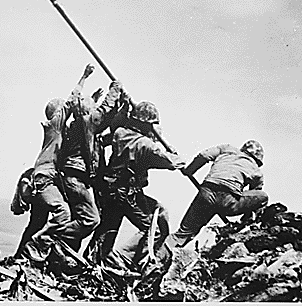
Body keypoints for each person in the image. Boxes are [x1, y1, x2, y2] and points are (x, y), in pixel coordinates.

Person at [88, 101, 186, 272]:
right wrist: (173, 154)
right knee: (156, 225)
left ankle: (93, 261)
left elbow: (105, 139)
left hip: (110, 189)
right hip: (128, 193)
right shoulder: (146, 145)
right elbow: (172, 163)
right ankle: (123, 259)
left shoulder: (120, 133)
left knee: (107, 228)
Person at [23, 64, 95, 261]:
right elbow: (72, 102)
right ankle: (39, 245)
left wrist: (92, 101)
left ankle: (27, 255)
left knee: (39, 220)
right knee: (62, 212)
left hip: (48, 178)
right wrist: (84, 77)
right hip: (45, 178)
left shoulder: (59, 132)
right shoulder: (55, 125)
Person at [57, 80, 124, 251]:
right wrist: (115, 90)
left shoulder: (82, 129)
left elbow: (106, 124)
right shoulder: (86, 123)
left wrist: (122, 108)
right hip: (76, 180)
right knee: (90, 219)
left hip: (75, 179)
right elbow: (102, 113)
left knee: (79, 220)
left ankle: (64, 257)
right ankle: (51, 237)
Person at [165, 140, 268, 250]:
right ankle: (244, 224)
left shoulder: (227, 149)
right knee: (263, 197)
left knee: (183, 233)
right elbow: (254, 197)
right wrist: (246, 218)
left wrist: (189, 171)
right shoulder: (256, 171)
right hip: (228, 202)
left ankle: (158, 254)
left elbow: (203, 155)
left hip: (206, 194)